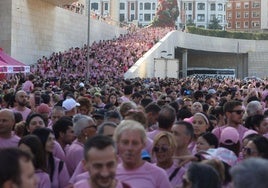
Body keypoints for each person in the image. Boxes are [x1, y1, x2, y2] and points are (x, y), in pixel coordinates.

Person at [115, 120, 172, 188]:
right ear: (118, 144)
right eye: (125, 142)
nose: (129, 148)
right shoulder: (110, 175)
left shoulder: (158, 174)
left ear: (143, 145)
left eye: (135, 143)